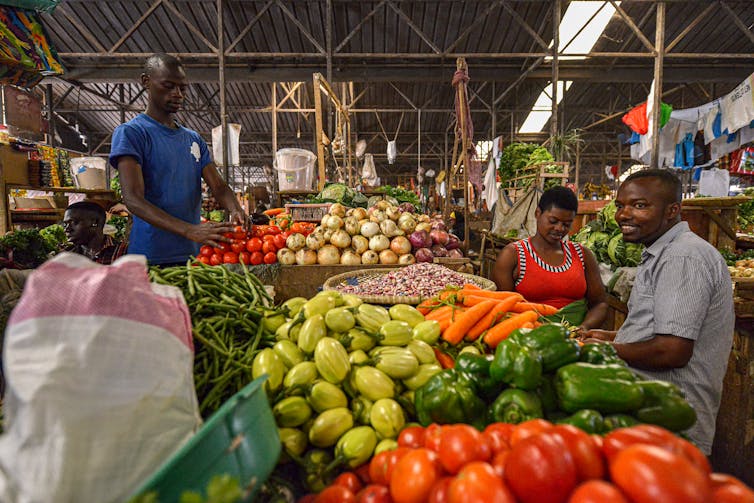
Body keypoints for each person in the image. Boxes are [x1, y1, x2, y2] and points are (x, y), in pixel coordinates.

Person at [581, 169, 734, 455]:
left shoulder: (682, 257)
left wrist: (609, 351)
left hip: (672, 418)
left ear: (672, 210)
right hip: (652, 409)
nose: (623, 215)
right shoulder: (662, 251)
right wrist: (612, 337)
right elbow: (661, 328)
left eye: (639, 205)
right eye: (620, 205)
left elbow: (672, 351)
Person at [109, 53, 246, 266]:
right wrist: (189, 230)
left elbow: (218, 186)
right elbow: (133, 199)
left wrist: (236, 208)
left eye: (182, 88)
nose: (178, 94)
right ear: (146, 82)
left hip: (194, 256)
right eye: (168, 86)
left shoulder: (193, 139)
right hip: (151, 257)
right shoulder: (132, 133)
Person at [491, 186, 607, 330]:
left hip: (576, 341)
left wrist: (584, 328)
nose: (559, 228)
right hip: (527, 338)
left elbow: (600, 304)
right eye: (553, 221)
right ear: (537, 213)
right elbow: (504, 308)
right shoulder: (513, 255)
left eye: (566, 224)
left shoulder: (583, 255)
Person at [62, 201, 128, 265]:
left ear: (95, 223)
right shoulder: (67, 255)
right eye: (65, 224)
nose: (67, 229)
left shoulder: (123, 252)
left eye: (74, 222)